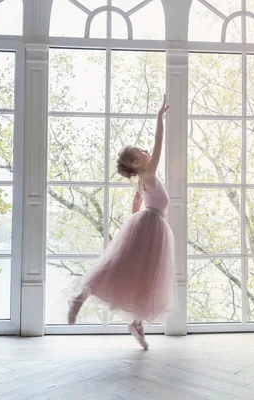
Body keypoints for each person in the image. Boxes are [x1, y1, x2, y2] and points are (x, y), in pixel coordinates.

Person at [67, 95, 177, 349]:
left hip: (147, 225)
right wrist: (159, 117)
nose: (147, 150)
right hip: (152, 225)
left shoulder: (141, 179)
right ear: (137, 163)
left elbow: (138, 202)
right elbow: (159, 142)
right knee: (138, 273)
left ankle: (135, 324)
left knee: (139, 274)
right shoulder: (148, 172)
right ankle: (85, 295)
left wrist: (132, 225)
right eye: (141, 150)